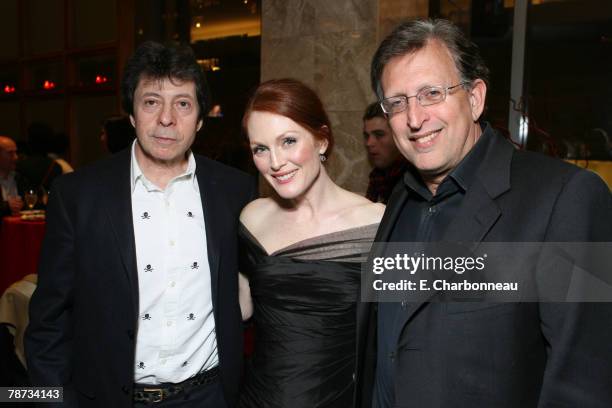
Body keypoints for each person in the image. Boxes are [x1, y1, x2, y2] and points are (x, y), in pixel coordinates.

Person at [355, 19, 612, 408]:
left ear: (475, 98)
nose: (414, 118)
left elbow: (584, 382)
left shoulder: (565, 197)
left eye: (431, 93)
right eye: (397, 103)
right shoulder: (400, 200)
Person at [25, 41, 256, 407]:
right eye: (151, 102)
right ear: (131, 114)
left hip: (210, 396)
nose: (167, 118)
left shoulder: (235, 190)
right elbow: (48, 321)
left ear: (200, 118)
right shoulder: (77, 195)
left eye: (182, 103)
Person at [238, 78, 384, 407]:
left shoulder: (375, 224)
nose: (275, 163)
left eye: (288, 141)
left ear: (321, 139)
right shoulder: (252, 218)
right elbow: (237, 309)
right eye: (260, 148)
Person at [362, 102, 408, 203]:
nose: (369, 143)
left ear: (398, 136)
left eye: (379, 135)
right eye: (367, 136)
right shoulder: (378, 177)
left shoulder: (413, 179)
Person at [0, 136, 25, 218]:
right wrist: (7, 206)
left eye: (16, 152)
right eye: (10, 153)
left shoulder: (20, 178)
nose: (16, 157)